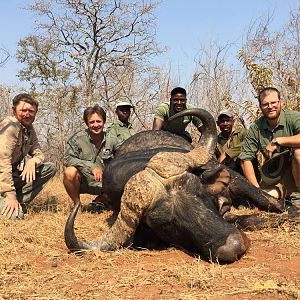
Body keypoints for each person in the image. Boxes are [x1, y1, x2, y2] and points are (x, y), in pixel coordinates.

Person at [239, 87, 300, 208]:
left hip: (296, 171)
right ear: (261, 107)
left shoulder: (293, 117)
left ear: (280, 102)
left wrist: (279, 141)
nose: (270, 107)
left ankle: (298, 197)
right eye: (265, 104)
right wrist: (257, 192)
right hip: (275, 176)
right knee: (261, 201)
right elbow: (245, 159)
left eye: (273, 103)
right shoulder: (256, 127)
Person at [0, 93, 56, 220]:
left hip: (11, 177)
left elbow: (39, 153)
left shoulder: (29, 128)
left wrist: (33, 161)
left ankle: (15, 204)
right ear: (14, 110)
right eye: (23, 110)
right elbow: (3, 162)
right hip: (3, 178)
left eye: (31, 111)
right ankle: (11, 203)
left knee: (49, 168)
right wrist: (10, 195)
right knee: (15, 216)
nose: (27, 114)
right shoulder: (10, 125)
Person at [63, 105, 108, 212]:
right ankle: (77, 205)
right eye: (92, 122)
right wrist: (91, 166)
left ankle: (102, 200)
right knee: (69, 172)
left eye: (99, 121)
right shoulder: (78, 138)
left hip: (106, 183)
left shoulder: (112, 138)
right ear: (87, 123)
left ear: (104, 122)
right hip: (85, 182)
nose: (96, 125)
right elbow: (67, 159)